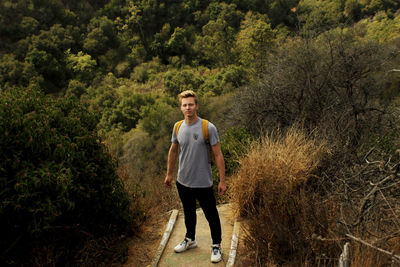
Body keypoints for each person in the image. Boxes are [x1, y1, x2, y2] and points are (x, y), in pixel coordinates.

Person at [164, 90, 227, 263]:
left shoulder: (208, 127)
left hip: (203, 181)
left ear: (197, 106)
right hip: (183, 180)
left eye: (191, 104)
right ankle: (190, 239)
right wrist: (169, 174)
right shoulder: (177, 127)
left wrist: (222, 180)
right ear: (181, 108)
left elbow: (219, 154)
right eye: (185, 105)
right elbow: (173, 150)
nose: (188, 108)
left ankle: (216, 245)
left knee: (211, 214)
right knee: (188, 212)